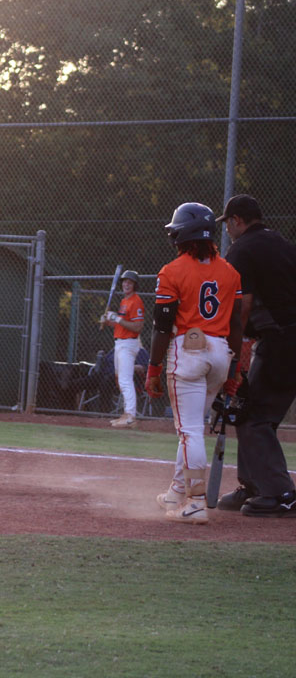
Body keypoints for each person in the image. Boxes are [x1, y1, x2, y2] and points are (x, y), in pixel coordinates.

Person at [146, 202, 242, 525]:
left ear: (181, 236)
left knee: (189, 431)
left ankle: (197, 502)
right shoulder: (230, 272)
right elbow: (237, 326)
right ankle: (176, 492)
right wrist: (235, 369)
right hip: (220, 352)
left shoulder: (172, 271)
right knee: (192, 429)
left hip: (189, 351)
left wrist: (153, 368)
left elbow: (162, 327)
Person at [214, 194, 296, 516]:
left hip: (280, 342)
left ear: (237, 220)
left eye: (228, 224)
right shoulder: (281, 243)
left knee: (252, 415)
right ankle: (254, 485)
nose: (227, 230)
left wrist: (232, 356)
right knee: (257, 415)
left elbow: (242, 306)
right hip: (284, 340)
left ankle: (279, 493)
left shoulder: (242, 249)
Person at [101, 269, 146, 427]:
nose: (126, 284)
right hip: (119, 343)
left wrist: (118, 319)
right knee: (119, 379)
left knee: (125, 380)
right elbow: (120, 325)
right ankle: (126, 413)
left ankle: (130, 416)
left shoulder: (136, 301)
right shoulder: (124, 301)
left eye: (130, 282)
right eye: (125, 281)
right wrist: (108, 321)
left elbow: (138, 327)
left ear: (135, 285)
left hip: (128, 344)